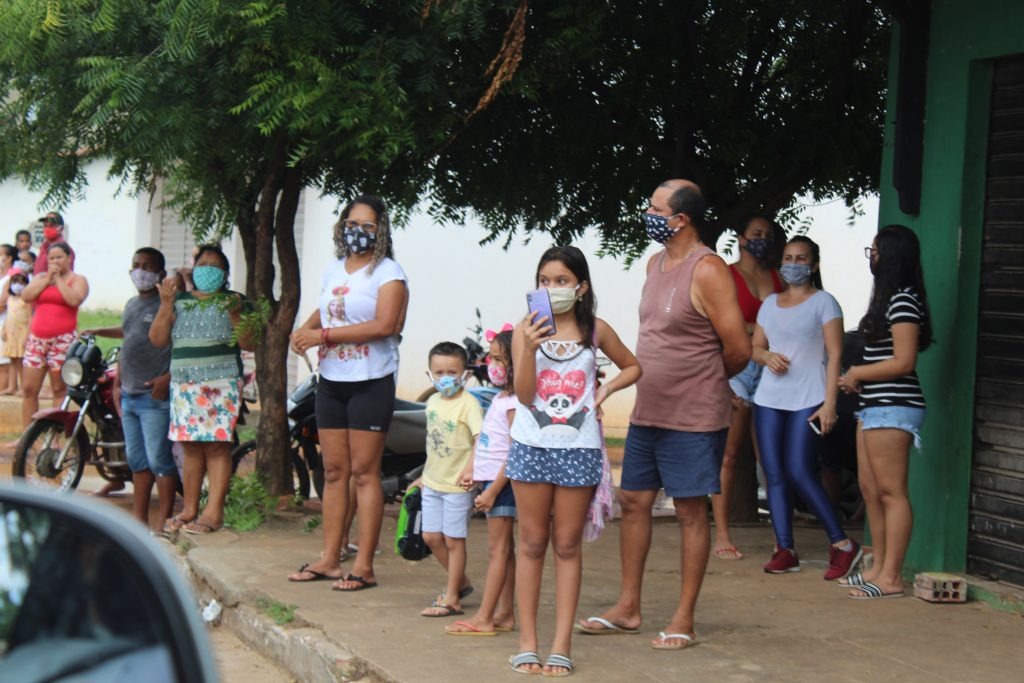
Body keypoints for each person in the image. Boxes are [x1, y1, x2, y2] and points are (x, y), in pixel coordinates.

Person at [578, 180, 749, 651]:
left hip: (693, 416)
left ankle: (683, 618)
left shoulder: (709, 269)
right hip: (647, 410)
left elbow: (738, 348)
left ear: (681, 219)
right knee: (633, 502)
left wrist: (705, 381)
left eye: (655, 208)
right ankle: (628, 608)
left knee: (691, 511)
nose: (647, 214)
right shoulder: (655, 263)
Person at [507, 245, 641, 676]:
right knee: (530, 544)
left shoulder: (595, 330)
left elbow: (633, 366)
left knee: (566, 545)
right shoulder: (525, 331)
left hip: (579, 449)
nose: (552, 289)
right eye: (545, 281)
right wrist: (528, 348)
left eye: (562, 281)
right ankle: (528, 644)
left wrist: (605, 391)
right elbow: (525, 396)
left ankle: (561, 645)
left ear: (581, 287)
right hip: (530, 446)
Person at [287, 195, 407, 591]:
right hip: (332, 380)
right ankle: (329, 558)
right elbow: (328, 308)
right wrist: (304, 331)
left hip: (371, 380)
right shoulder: (333, 270)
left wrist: (321, 335)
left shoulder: (388, 273)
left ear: (381, 231)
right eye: (352, 224)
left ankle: (365, 566)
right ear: (341, 227)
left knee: (363, 472)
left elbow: (384, 324)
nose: (359, 232)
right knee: (335, 471)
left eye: (368, 226)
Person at [751, 237, 862, 578]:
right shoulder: (769, 304)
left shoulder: (824, 302)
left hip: (809, 398)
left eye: (801, 258)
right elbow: (755, 348)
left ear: (814, 265)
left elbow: (835, 356)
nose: (794, 263)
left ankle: (842, 544)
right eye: (788, 257)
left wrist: (830, 404)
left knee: (799, 470)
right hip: (769, 399)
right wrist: (767, 355)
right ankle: (784, 549)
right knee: (774, 475)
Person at [838, 224, 932, 600]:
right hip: (874, 405)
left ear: (890, 256)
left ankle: (892, 576)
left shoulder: (904, 301)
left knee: (892, 492)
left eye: (874, 250)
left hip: (895, 406)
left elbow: (904, 361)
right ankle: (877, 567)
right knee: (870, 490)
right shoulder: (890, 300)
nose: (871, 257)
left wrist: (858, 372)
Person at [150, 244, 255, 535]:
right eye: (203, 264)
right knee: (190, 446)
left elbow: (249, 342)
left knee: (217, 446)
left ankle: (214, 512)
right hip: (185, 385)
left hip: (220, 384)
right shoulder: (179, 301)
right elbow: (158, 339)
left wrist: (235, 314)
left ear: (225, 274)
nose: (208, 269)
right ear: (193, 269)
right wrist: (165, 304)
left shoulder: (234, 301)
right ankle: (190, 509)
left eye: (215, 265)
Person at [85, 248, 176, 531]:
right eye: (136, 265)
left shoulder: (170, 306)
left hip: (154, 396)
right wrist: (117, 381)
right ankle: (138, 521)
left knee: (159, 459)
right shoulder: (131, 304)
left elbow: (181, 346)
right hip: (130, 394)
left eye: (147, 266)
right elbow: (129, 335)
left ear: (161, 273)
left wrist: (167, 377)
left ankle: (163, 519)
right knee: (137, 461)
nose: (140, 271)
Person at [711, 216, 784, 560]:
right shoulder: (726, 274)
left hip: (772, 370)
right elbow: (719, 324)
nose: (763, 240)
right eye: (756, 234)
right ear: (740, 239)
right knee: (727, 455)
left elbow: (787, 323)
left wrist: (750, 328)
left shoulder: (778, 278)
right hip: (738, 368)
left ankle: (781, 538)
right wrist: (759, 329)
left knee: (770, 458)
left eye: (768, 235)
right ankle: (722, 535)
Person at [445, 327, 518, 635]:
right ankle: (503, 614)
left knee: (497, 551)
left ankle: (485, 617)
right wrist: (471, 468)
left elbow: (516, 450)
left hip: (501, 486)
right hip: (490, 482)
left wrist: (494, 490)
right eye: (493, 358)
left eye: (502, 359)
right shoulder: (502, 398)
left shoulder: (515, 402)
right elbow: (486, 441)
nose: (495, 366)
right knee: (505, 550)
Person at [414, 341, 483, 617]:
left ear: (464, 372)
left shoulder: (469, 405)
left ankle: (452, 596)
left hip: (457, 486)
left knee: (454, 540)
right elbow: (433, 443)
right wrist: (421, 477)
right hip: (432, 482)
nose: (445, 378)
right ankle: (462, 582)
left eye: (451, 372)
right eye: (439, 372)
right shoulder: (431, 402)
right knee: (431, 537)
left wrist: (471, 469)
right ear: (430, 373)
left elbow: (481, 439)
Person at [20, 243, 89, 427]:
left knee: (59, 388)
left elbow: (74, 299)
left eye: (59, 257)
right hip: (37, 339)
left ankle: (55, 438)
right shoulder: (41, 277)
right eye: (51, 258)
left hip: (62, 340)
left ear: (69, 258)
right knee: (29, 388)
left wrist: (58, 279)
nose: (55, 261)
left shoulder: (77, 279)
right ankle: (27, 435)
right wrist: (47, 279)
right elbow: (26, 296)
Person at [1, 267, 30, 395]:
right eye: (15, 282)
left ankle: (24, 387)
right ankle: (12, 387)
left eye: (21, 283)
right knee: (12, 360)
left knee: (21, 362)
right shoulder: (10, 300)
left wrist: (27, 336)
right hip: (11, 333)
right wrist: (3, 330)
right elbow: (8, 316)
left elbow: (30, 318)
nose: (17, 286)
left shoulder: (27, 301)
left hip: (22, 332)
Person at [0, 244, 16, 392]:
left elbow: (2, 304)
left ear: (9, 258)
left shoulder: (10, 278)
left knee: (3, 364)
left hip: (4, 324)